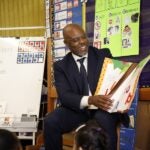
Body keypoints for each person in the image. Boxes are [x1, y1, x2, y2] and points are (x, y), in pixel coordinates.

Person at [44, 23, 129, 150]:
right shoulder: (61, 66)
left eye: (83, 37)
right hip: (78, 110)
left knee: (103, 119)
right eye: (75, 40)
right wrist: (90, 100)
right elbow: (65, 96)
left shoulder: (102, 55)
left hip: (103, 108)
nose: (82, 42)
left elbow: (119, 78)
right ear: (66, 43)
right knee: (50, 121)